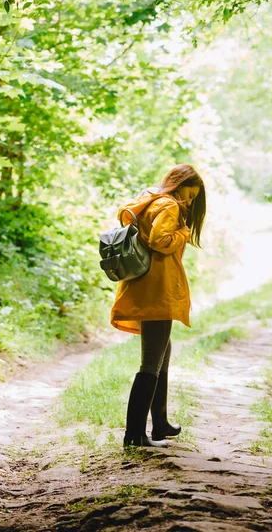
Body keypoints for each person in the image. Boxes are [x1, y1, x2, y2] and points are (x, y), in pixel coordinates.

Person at [110, 164, 206, 448]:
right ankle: (134, 435)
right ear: (178, 184)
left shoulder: (149, 199)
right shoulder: (169, 206)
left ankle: (160, 423)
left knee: (163, 352)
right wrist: (183, 233)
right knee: (151, 362)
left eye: (192, 198)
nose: (188, 201)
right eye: (188, 194)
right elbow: (160, 240)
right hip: (157, 288)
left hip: (145, 285)